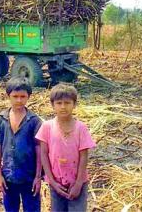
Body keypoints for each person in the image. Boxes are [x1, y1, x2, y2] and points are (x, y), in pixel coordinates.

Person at [35, 84, 96, 212]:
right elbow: (44, 154)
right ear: (53, 105)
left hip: (77, 182)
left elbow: (84, 156)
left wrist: (79, 183)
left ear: (74, 104)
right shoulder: (47, 127)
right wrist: (51, 181)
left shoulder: (81, 128)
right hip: (56, 182)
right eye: (59, 103)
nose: (63, 107)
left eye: (67, 103)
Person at [0, 77, 42, 212]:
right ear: (8, 96)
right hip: (8, 176)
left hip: (29, 177)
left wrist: (38, 177)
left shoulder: (34, 121)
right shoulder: (1, 119)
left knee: (32, 208)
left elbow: (39, 150)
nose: (19, 100)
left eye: (23, 96)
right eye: (15, 96)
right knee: (10, 208)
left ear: (28, 97)